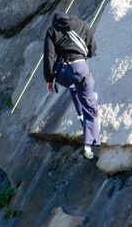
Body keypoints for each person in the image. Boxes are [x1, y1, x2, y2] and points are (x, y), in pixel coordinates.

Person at [43, 12, 100, 159]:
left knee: (73, 86)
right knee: (90, 106)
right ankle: (90, 146)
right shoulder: (83, 24)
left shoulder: (52, 30)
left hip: (62, 74)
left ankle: (81, 117)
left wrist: (49, 80)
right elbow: (92, 49)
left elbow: (49, 56)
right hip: (79, 69)